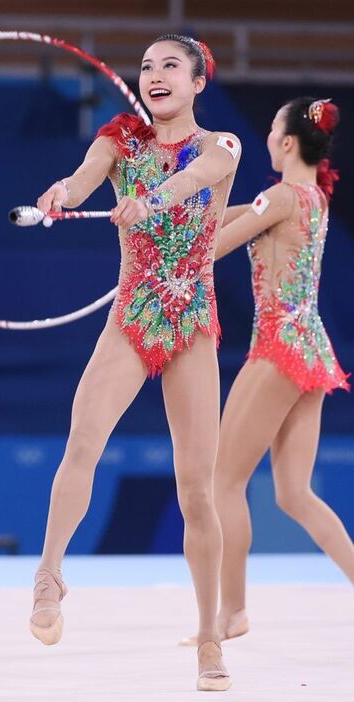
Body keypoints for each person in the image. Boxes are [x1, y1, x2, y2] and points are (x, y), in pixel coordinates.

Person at [29, 34, 242, 692]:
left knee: (197, 492)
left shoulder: (221, 146)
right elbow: (87, 175)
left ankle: (209, 639)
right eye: (147, 66)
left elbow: (195, 181)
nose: (155, 74)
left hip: (191, 327)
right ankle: (48, 575)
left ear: (198, 82)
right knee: (82, 442)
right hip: (132, 318)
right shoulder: (119, 138)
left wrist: (151, 201)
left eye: (170, 65)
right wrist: (62, 192)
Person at [180, 97, 353, 647]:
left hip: (278, 348)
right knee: (293, 494)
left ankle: (232, 613)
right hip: (312, 348)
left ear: (284, 143)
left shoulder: (281, 196)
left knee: (222, 483)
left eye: (272, 127)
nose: (268, 137)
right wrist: (174, 213)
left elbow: (212, 248)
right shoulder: (312, 198)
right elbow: (236, 217)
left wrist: (163, 242)